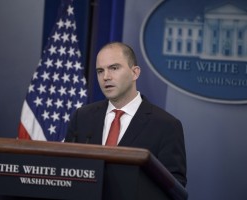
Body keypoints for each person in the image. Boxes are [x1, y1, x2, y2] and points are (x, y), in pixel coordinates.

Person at [65, 42, 187, 187]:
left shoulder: (166, 125)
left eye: (114, 68)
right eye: (100, 71)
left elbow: (174, 185)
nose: (106, 77)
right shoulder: (82, 117)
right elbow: (67, 169)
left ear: (135, 73)